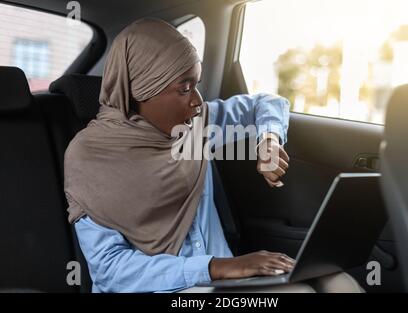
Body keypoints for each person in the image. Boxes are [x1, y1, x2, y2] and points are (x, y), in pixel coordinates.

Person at [64, 18, 293, 293]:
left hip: (225, 288)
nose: (197, 100)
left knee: (333, 283)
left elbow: (268, 103)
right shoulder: (88, 159)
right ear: (141, 90)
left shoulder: (196, 126)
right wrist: (215, 268)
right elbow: (110, 269)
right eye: (184, 89)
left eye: (196, 85)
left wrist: (268, 139)